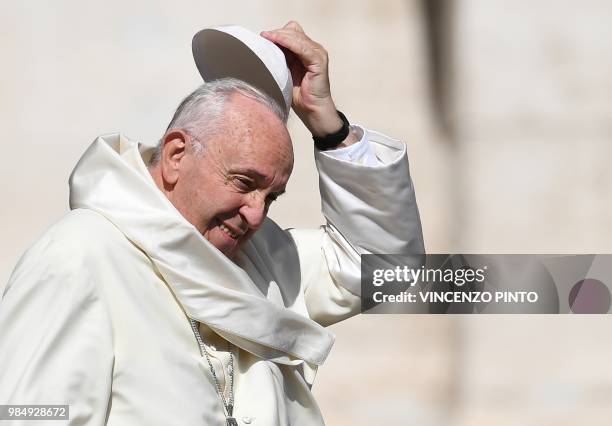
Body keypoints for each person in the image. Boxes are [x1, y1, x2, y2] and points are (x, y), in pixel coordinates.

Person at [0, 22, 423, 425]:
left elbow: (386, 270)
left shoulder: (258, 261)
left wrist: (329, 127)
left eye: (271, 197)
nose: (257, 214)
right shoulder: (80, 255)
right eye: (244, 182)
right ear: (176, 156)